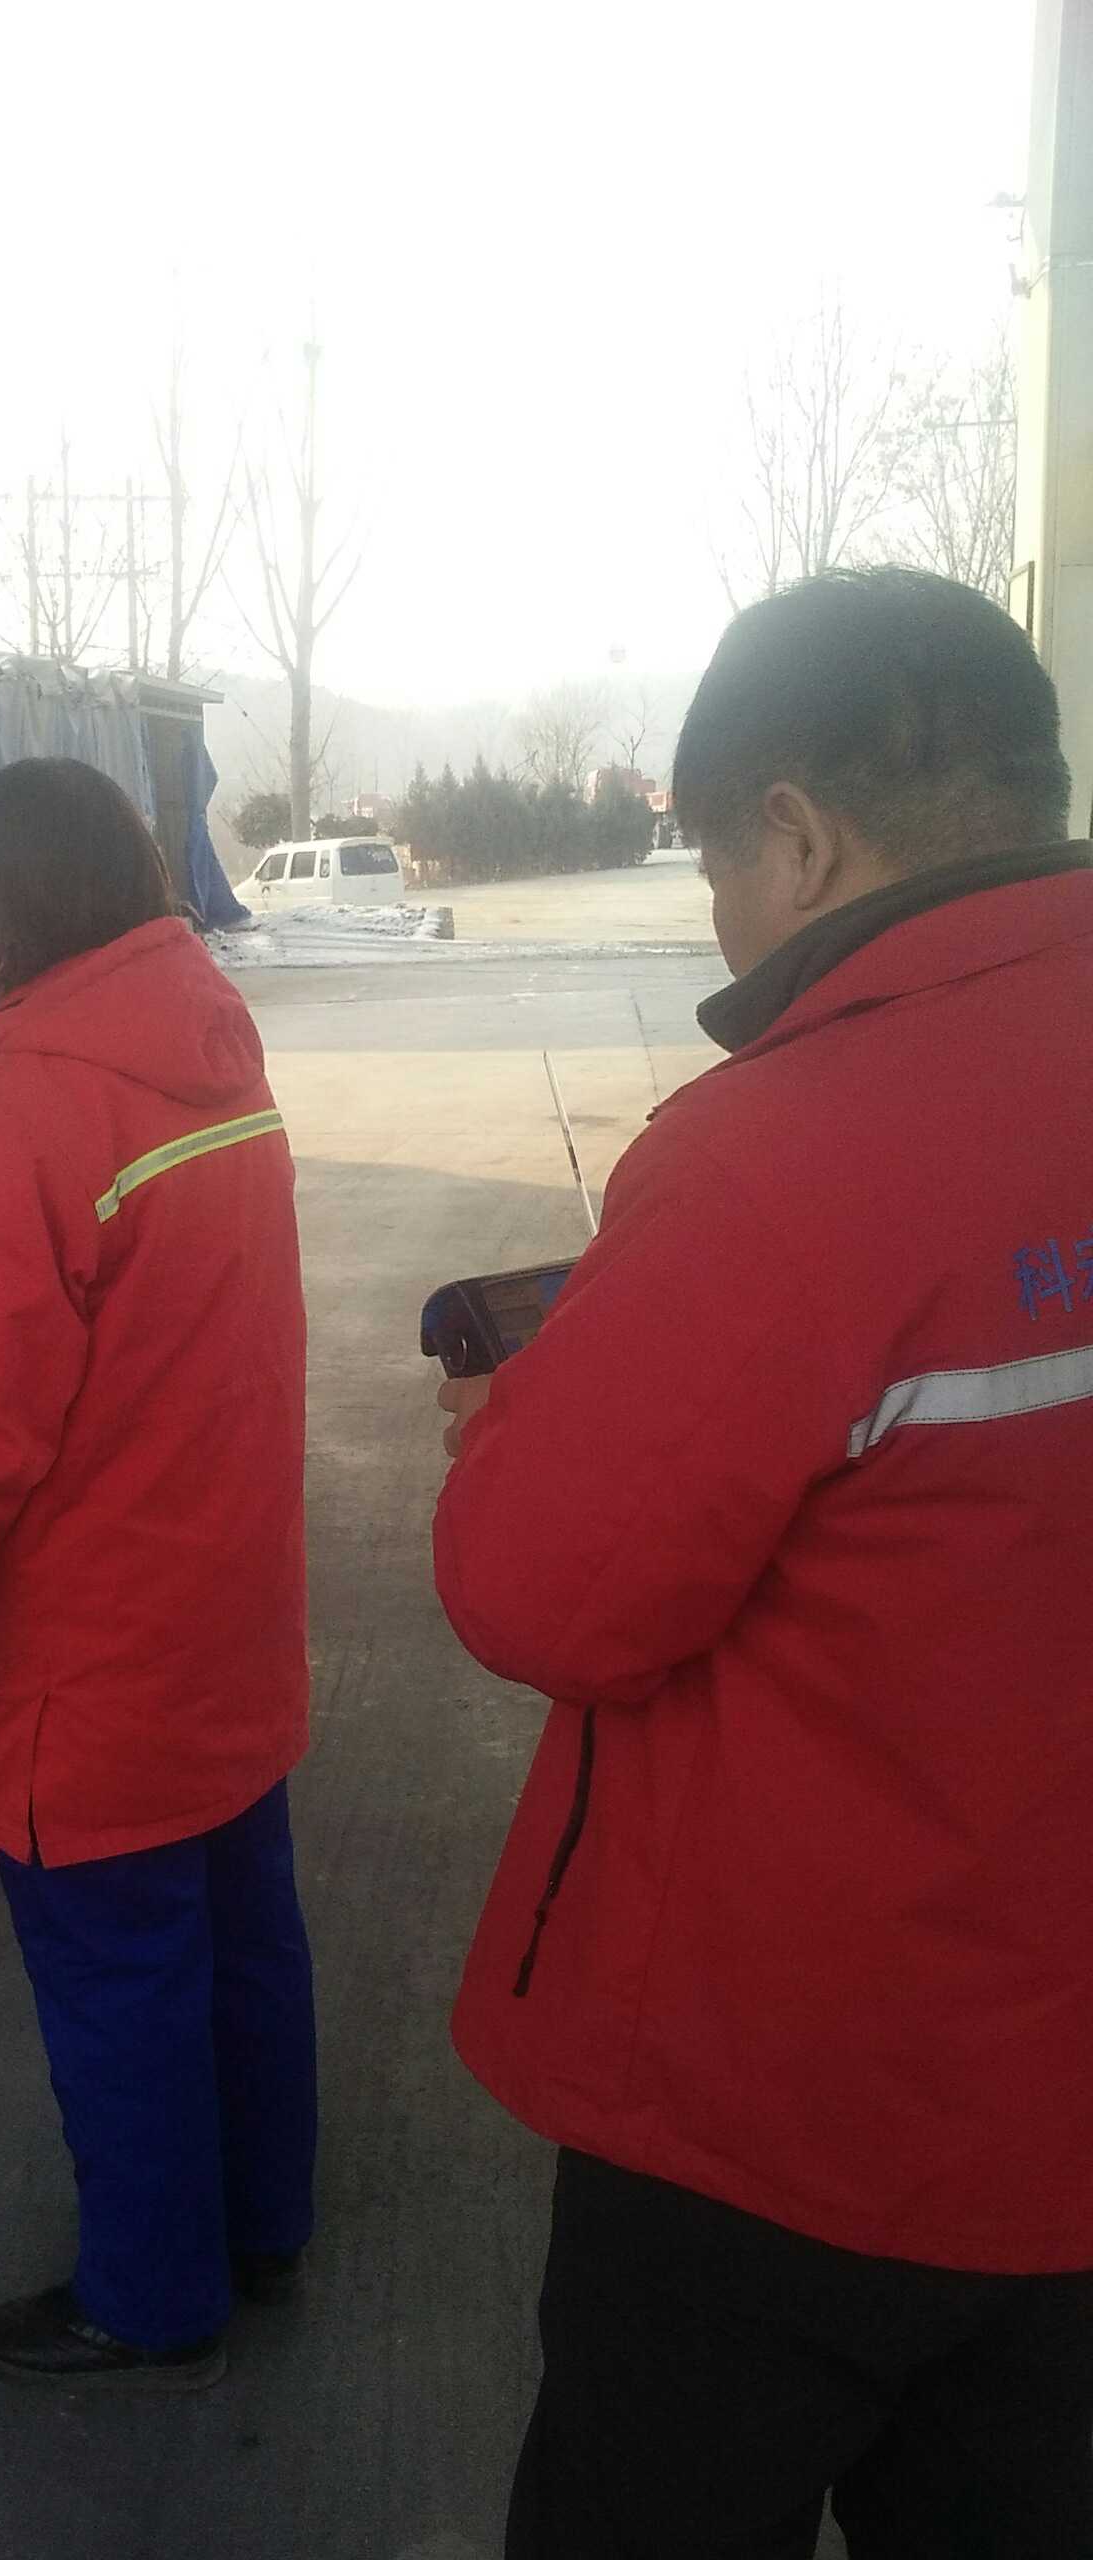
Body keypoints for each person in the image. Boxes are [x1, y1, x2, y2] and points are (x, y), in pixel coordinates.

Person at [433, 568, 1093, 2557]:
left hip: (787, 2121)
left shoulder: (778, 1148)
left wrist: (524, 1422)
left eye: (719, 863)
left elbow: (546, 1596)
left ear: (795, 833)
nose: (723, 913)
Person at [0, 756, 317, 2392]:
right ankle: (262, 2227)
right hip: (221, 1620)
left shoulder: (12, 1114)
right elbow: (122, 1284)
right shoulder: (201, 1046)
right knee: (240, 1941)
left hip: (88, 1656)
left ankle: (154, 2293)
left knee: (122, 1986)